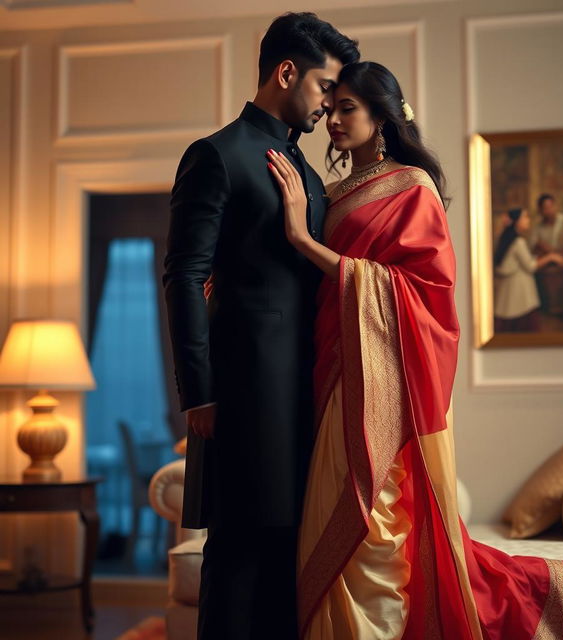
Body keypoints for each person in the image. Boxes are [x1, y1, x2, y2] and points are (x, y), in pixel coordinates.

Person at [268, 61, 563, 640]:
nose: (332, 118)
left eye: (347, 107)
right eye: (329, 107)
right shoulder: (328, 192)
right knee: (325, 517)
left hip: (381, 377)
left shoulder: (411, 186)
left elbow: (425, 291)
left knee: (372, 517)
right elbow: (309, 284)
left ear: (382, 114)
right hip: (330, 368)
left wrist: (304, 242)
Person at [162, 13, 359, 640]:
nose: (329, 104)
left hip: (308, 389)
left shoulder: (304, 171)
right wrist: (200, 392)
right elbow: (184, 276)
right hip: (243, 393)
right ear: (286, 72)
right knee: (240, 553)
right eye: (325, 87)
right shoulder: (216, 155)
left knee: (289, 556)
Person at [494, 208, 563, 332]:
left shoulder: (510, 240)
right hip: (520, 296)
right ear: (517, 221)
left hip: (511, 294)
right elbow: (531, 265)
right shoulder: (518, 242)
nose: (528, 220)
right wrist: (551, 257)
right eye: (525, 217)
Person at [530, 193, 563, 316]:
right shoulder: (538, 227)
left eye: (551, 206)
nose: (549, 210)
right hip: (548, 260)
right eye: (545, 208)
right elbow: (536, 246)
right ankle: (549, 307)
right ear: (540, 210)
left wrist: (561, 256)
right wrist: (550, 254)